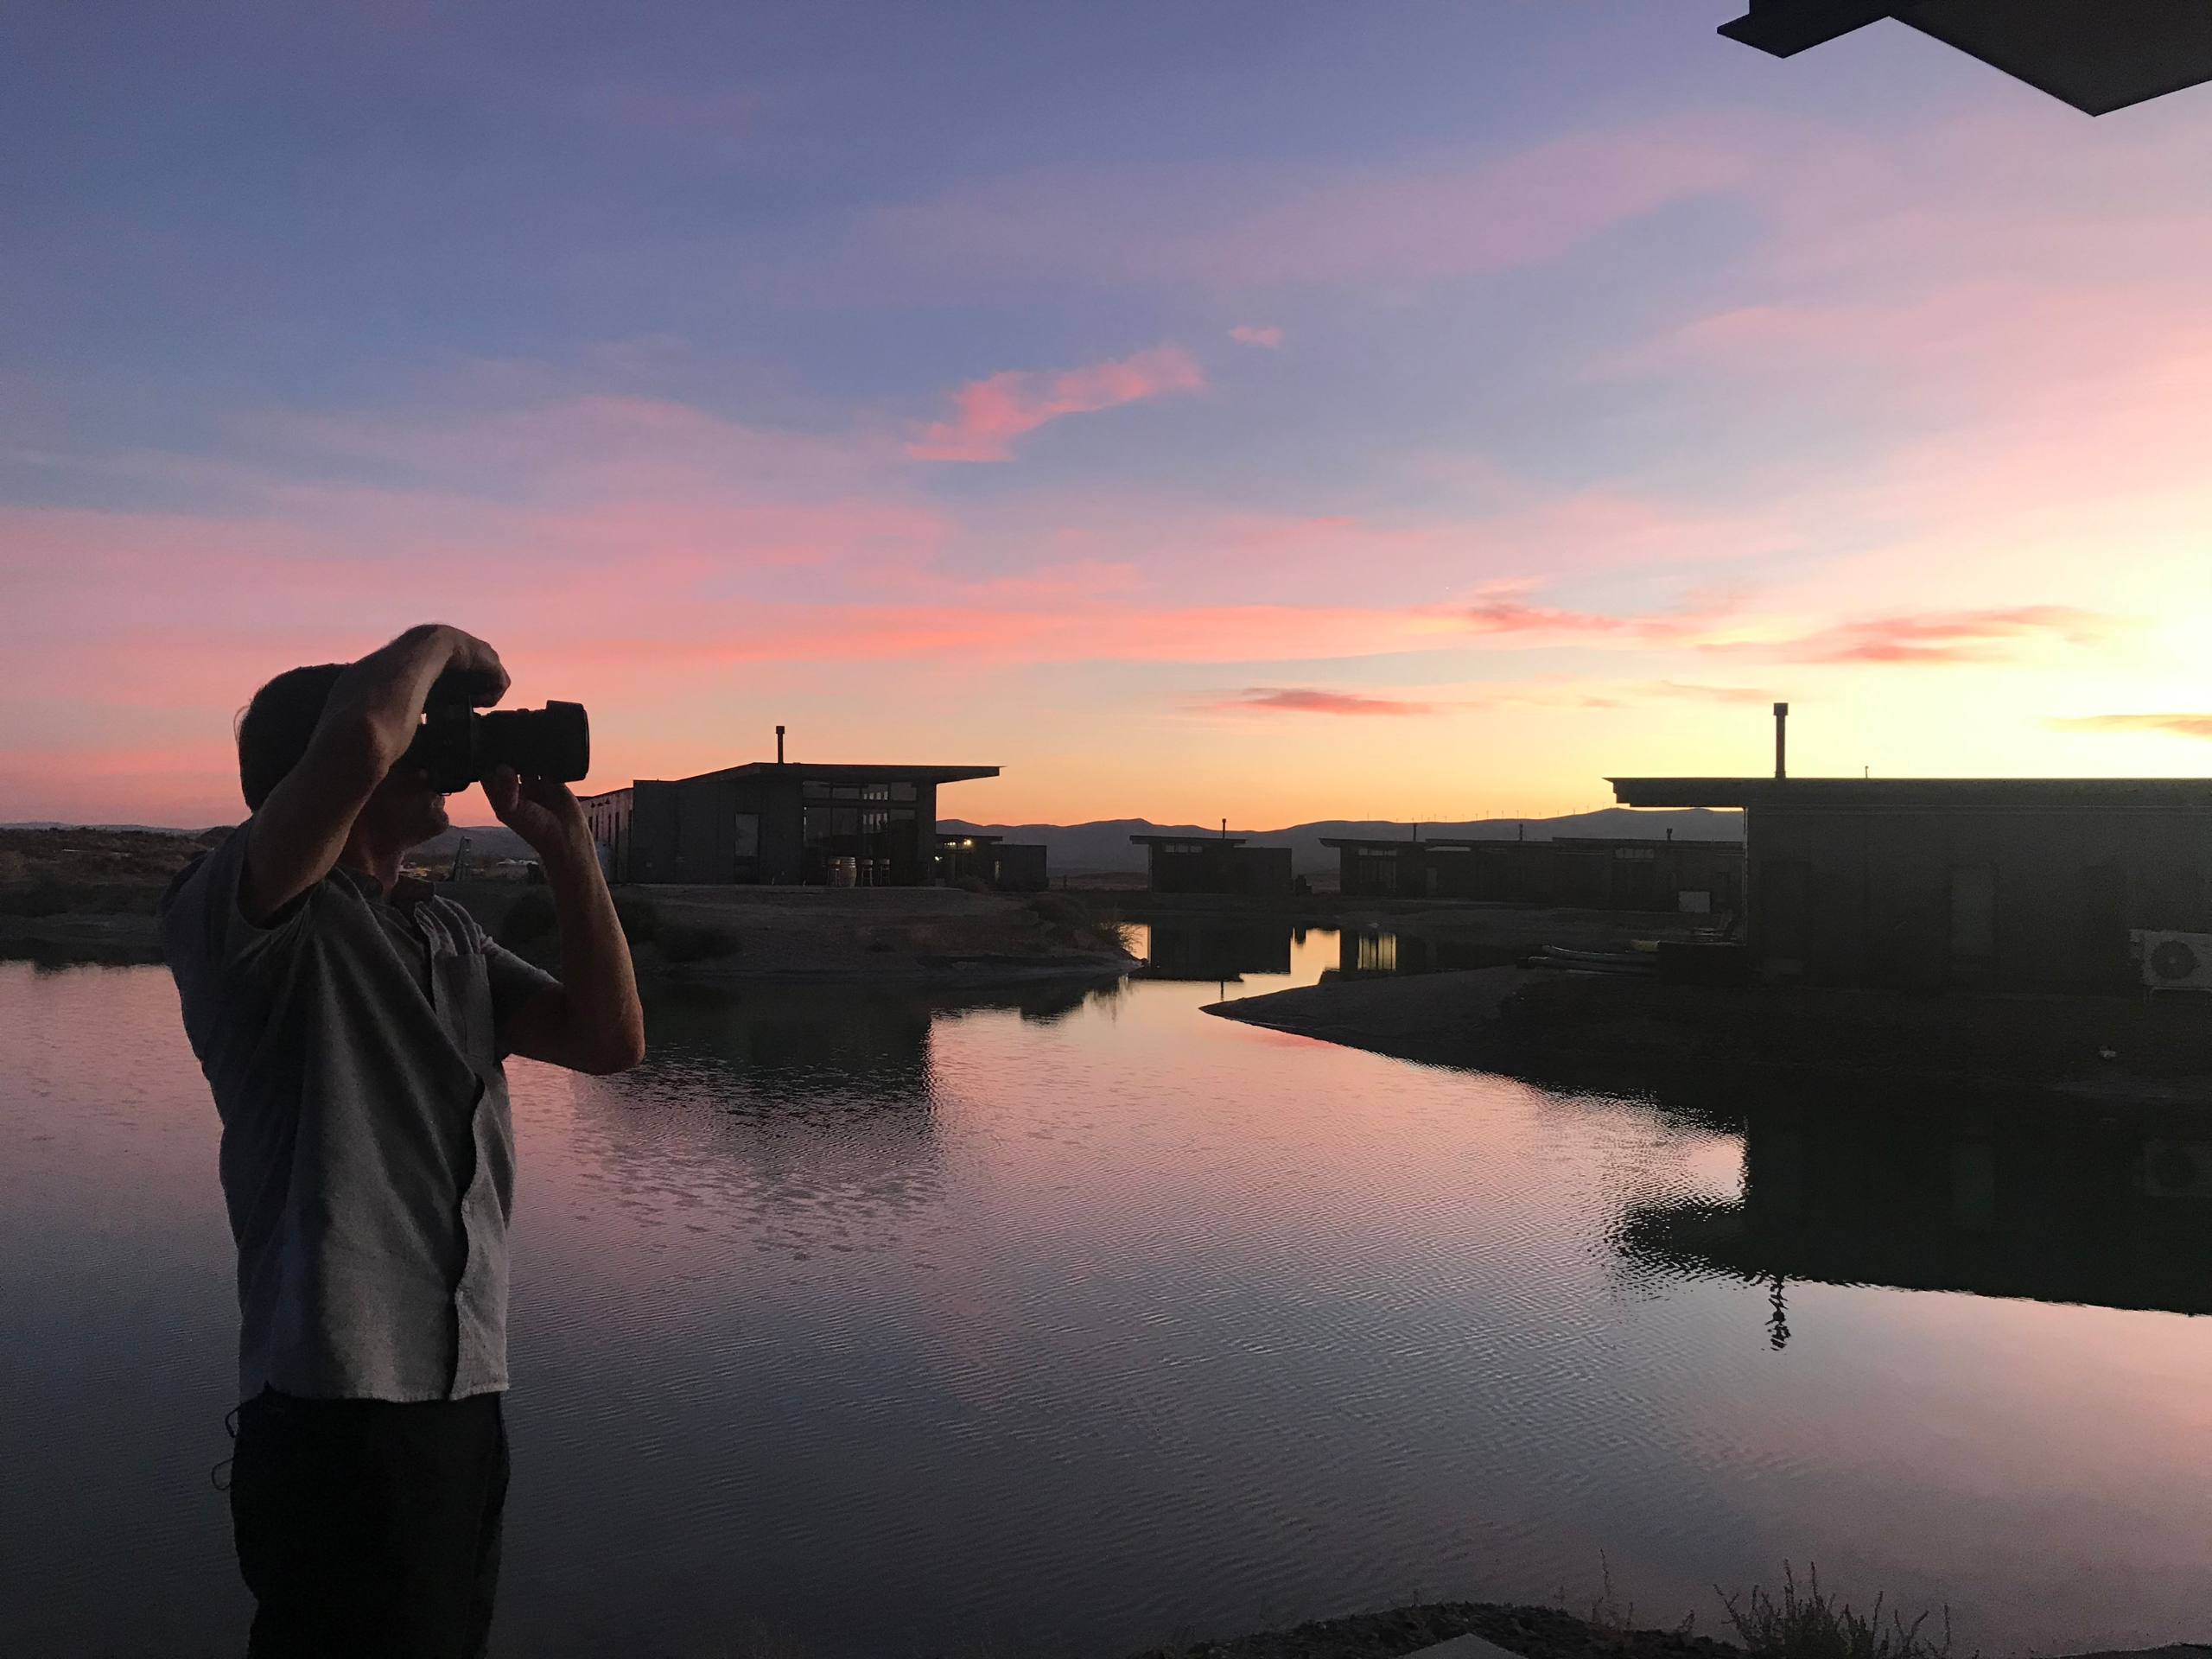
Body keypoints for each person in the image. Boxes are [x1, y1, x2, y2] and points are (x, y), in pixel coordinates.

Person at [159, 623, 645, 1658]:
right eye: (420, 736)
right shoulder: (245, 915)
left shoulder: (441, 931)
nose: (440, 751)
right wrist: (435, 643)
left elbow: (610, 1041)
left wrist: (568, 855)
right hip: (338, 1403)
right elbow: (357, 744)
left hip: (462, 1387)